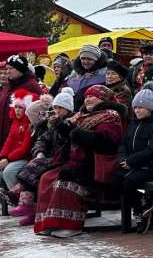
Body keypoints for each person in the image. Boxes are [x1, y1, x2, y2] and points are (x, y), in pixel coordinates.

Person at [34, 84, 127, 238]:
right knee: (46, 178)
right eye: (86, 96)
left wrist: (80, 134)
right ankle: (49, 223)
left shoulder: (111, 115)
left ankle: (70, 225)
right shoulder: (80, 115)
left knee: (65, 183)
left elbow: (107, 142)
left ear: (102, 98)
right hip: (76, 162)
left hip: (96, 165)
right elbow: (70, 137)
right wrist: (62, 127)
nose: (88, 99)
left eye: (92, 96)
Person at [11, 89, 75, 227]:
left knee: (35, 170)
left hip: (65, 159)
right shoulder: (53, 123)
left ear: (68, 108)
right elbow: (42, 139)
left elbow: (67, 137)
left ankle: (20, 196)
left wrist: (58, 123)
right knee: (34, 166)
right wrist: (39, 151)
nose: (57, 110)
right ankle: (26, 204)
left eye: (60, 108)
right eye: (55, 107)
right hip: (52, 157)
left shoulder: (71, 121)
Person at [116, 89, 153, 234]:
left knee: (128, 183)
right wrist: (123, 159)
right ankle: (143, 205)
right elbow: (123, 144)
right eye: (136, 107)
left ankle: (140, 211)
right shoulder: (133, 124)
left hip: (150, 167)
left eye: (141, 107)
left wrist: (132, 161)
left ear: (150, 108)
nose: (137, 111)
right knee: (115, 179)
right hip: (132, 165)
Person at [0, 89, 38, 217]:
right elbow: (8, 142)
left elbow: (25, 148)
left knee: (9, 171)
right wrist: (3, 157)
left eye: (21, 108)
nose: (17, 110)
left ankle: (22, 203)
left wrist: (8, 160)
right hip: (12, 158)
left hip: (25, 158)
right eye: (16, 107)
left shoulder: (30, 124)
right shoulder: (15, 123)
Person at [0, 55, 42, 145]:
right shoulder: (8, 85)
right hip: (3, 135)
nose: (7, 71)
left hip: (20, 138)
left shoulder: (32, 86)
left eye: (10, 68)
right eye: (6, 69)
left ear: (20, 69)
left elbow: (37, 113)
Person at [64, 45, 109, 110]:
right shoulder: (74, 74)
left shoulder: (104, 75)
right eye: (83, 58)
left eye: (89, 59)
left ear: (96, 60)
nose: (85, 62)